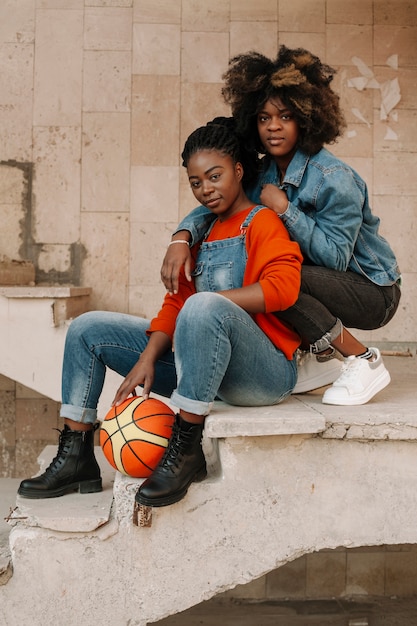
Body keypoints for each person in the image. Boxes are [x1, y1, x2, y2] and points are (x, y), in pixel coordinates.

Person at [18, 121, 303, 507]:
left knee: (202, 305)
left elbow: (284, 288)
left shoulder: (261, 222)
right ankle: (77, 456)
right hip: (202, 367)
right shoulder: (200, 235)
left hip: (261, 373)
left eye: (215, 176)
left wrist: (210, 305)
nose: (206, 189)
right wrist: (148, 359)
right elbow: (175, 304)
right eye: (196, 182)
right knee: (88, 329)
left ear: (238, 170)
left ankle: (186, 450)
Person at [161, 46, 401, 406]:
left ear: (306, 117)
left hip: (371, 291)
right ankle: (311, 354)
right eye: (263, 118)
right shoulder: (265, 172)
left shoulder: (334, 178)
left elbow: (335, 259)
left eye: (285, 116)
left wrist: (286, 210)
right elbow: (220, 202)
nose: (273, 126)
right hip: (321, 280)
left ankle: (363, 359)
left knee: (282, 281)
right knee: (266, 267)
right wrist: (181, 237)